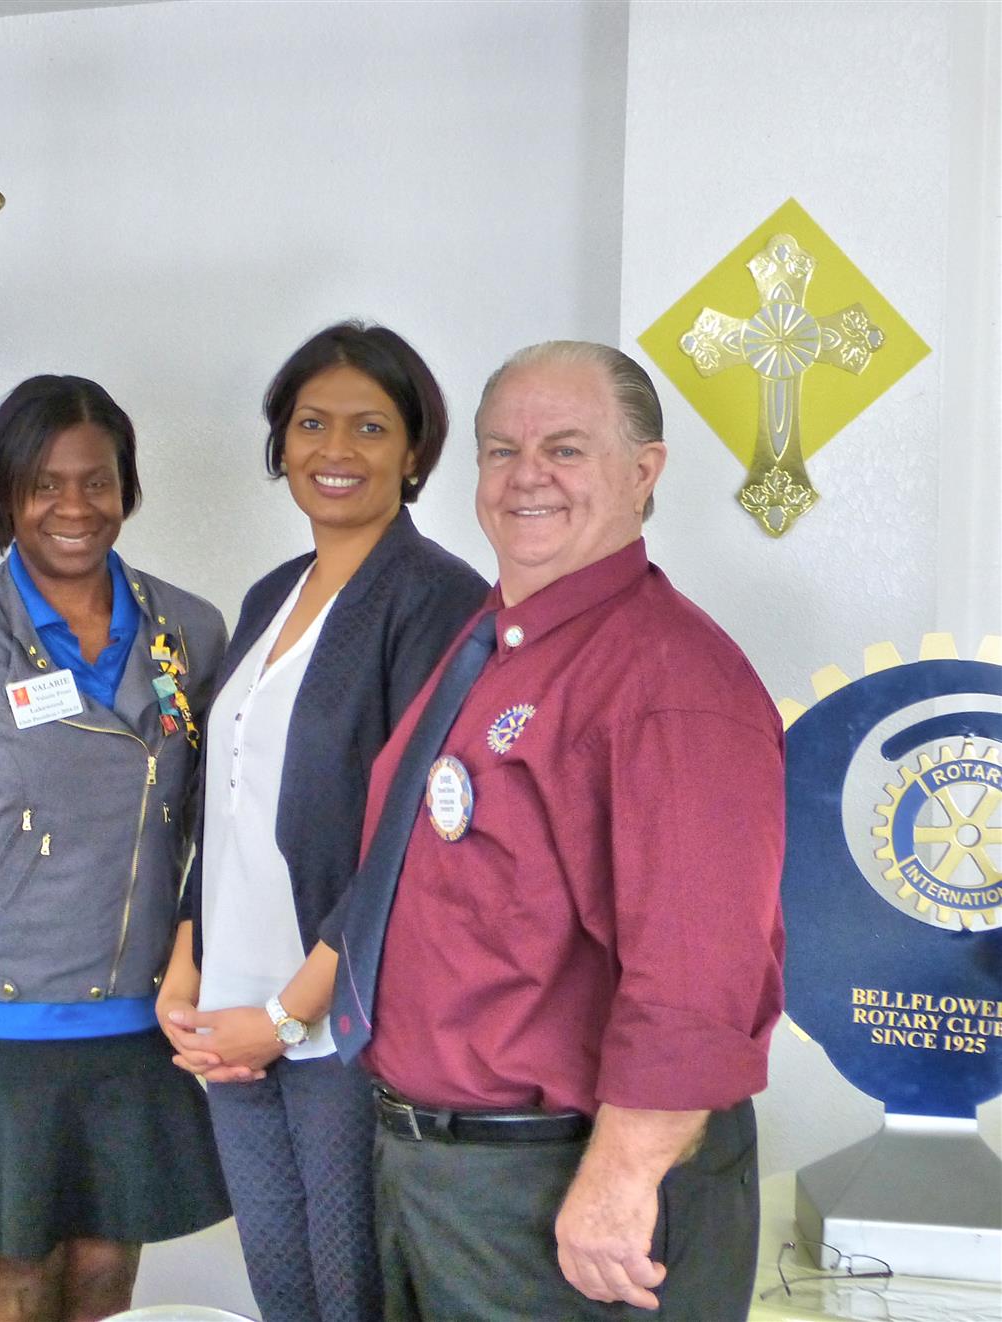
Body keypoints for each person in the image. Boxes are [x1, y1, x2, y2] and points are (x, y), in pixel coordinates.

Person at [344, 341, 784, 1321]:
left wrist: (622, 1180)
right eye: (502, 450)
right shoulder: (497, 645)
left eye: (567, 449)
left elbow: (698, 971)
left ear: (645, 470)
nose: (526, 476)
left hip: (565, 1189)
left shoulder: (669, 679)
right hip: (445, 1179)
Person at [0, 374, 232, 1322]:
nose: (75, 507)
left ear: (127, 488)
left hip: (135, 1014)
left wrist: (194, 964)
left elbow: (215, 824)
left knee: (106, 1276)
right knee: (16, 1281)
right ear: (7, 495)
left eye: (97, 481)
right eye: (45, 485)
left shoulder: (191, 631)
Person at [157, 323, 487, 1322]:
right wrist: (187, 963)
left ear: (416, 451)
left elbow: (410, 842)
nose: (335, 450)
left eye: (370, 427)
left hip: (338, 1024)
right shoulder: (271, 594)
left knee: (353, 1294)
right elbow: (223, 797)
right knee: (283, 1291)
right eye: (311, 423)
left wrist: (289, 1015)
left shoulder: (438, 598)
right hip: (230, 1013)